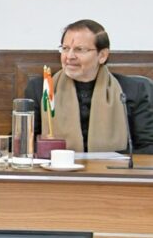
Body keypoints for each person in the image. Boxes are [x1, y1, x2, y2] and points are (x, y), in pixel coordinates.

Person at [25, 19, 153, 154]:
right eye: (65, 48)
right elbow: (24, 142)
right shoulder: (41, 88)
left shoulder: (131, 90)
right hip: (57, 171)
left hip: (113, 172)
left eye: (79, 50)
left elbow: (148, 146)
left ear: (102, 55)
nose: (69, 56)